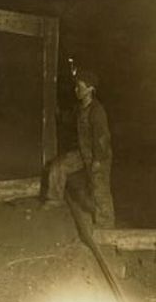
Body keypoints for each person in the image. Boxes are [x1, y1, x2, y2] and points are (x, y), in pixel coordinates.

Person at [42, 68, 115, 229]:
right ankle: (54, 199)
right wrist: (58, 114)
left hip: (98, 155)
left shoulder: (97, 111)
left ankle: (106, 223)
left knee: (99, 189)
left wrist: (97, 160)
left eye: (80, 87)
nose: (76, 90)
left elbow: (102, 138)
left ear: (90, 89)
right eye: (76, 87)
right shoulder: (80, 108)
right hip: (83, 152)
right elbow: (70, 119)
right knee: (58, 166)